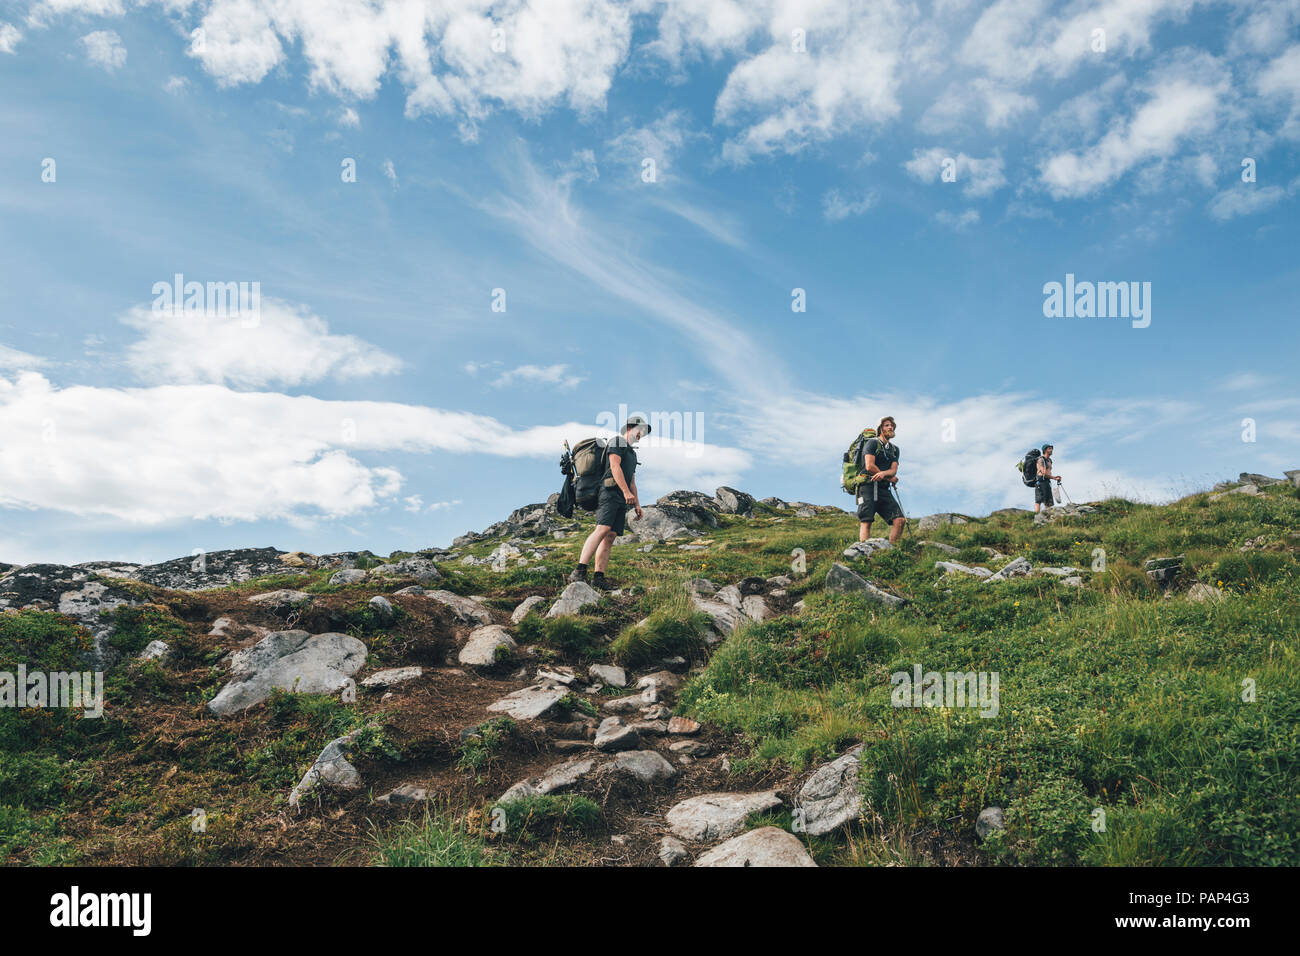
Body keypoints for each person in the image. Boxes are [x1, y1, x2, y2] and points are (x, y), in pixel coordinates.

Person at [569, 414, 650, 589]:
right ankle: (579, 571)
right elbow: (614, 467)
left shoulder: (633, 454)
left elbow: (632, 481)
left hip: (623, 497)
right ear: (630, 428)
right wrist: (626, 491)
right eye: (639, 430)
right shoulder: (617, 442)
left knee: (611, 536)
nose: (641, 434)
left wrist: (637, 504)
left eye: (643, 432)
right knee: (602, 528)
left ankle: (599, 578)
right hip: (609, 491)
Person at [857, 416, 906, 544]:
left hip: (883, 488)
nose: (891, 427)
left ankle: (892, 551)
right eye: (887, 425)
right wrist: (888, 476)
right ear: (880, 428)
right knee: (866, 521)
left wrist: (884, 475)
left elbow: (893, 470)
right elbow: (869, 466)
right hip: (867, 486)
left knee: (900, 520)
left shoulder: (895, 450)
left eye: (892, 426)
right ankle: (863, 552)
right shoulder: (872, 443)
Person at [1034, 443, 1061, 515]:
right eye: (1049, 448)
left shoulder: (1049, 460)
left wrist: (1054, 478)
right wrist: (1054, 478)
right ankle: (1036, 516)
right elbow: (1043, 473)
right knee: (1039, 500)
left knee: (1049, 501)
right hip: (1041, 481)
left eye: (1051, 448)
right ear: (1045, 450)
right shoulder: (1041, 459)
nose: (1051, 450)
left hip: (1047, 481)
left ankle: (1047, 516)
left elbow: (1049, 472)